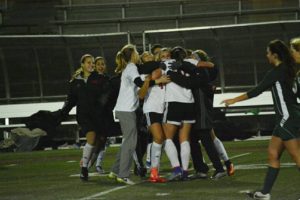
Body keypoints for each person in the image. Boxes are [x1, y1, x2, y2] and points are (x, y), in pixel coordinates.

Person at [221, 39, 300, 200]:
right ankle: (264, 193)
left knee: (297, 156)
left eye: (268, 53)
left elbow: (256, 91)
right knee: (272, 153)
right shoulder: (290, 70)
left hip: (287, 118)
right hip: (287, 117)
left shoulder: (277, 71)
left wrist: (233, 100)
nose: (267, 56)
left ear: (275, 55)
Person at [108, 44, 168, 185]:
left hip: (125, 109)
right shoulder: (131, 67)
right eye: (136, 52)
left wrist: (153, 80)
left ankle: (115, 170)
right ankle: (122, 175)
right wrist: (154, 80)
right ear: (133, 55)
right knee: (131, 142)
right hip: (126, 110)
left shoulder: (131, 68)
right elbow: (141, 83)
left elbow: (143, 82)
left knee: (127, 141)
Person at [61, 54, 111, 181]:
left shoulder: (99, 79)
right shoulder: (75, 82)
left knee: (98, 142)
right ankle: (84, 169)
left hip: (97, 115)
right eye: (88, 62)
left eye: (92, 62)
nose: (92, 65)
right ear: (82, 64)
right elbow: (71, 100)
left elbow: (106, 94)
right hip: (83, 116)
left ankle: (87, 165)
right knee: (92, 137)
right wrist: (62, 113)